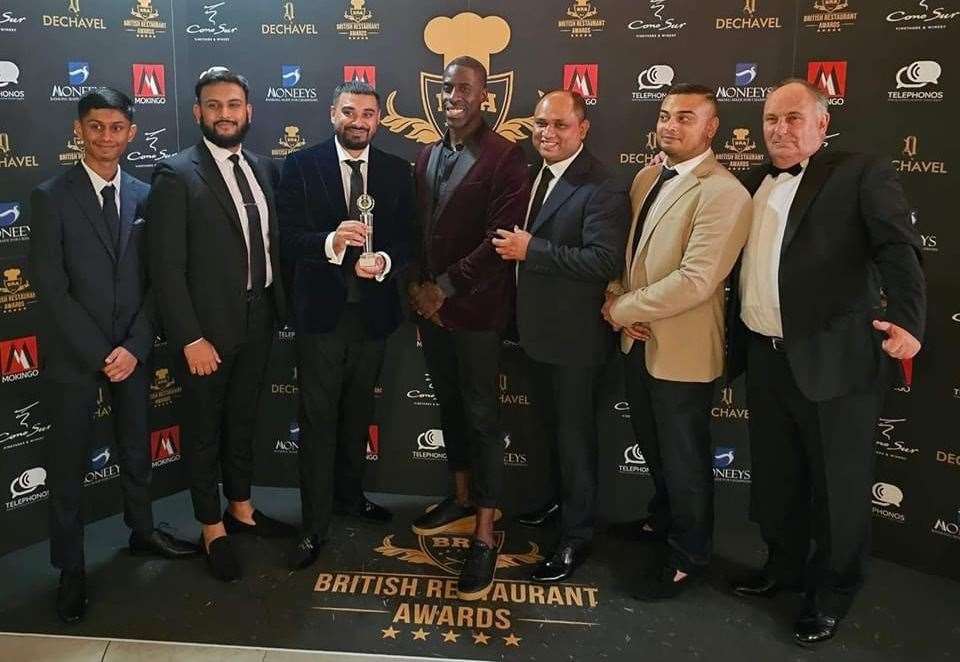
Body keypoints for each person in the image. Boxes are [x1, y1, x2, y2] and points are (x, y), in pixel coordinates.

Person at [726, 78, 926, 644]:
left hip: (835, 360)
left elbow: (897, 248)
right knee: (776, 475)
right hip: (764, 356)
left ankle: (834, 589)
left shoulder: (859, 173)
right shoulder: (750, 183)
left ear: (821, 124)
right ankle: (783, 568)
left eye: (793, 118)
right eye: (771, 119)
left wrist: (909, 321)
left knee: (838, 486)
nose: (780, 130)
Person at [30, 88, 198, 623]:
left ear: (130, 132)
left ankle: (143, 531)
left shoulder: (149, 196)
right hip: (76, 355)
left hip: (133, 348)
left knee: (135, 447)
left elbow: (159, 280)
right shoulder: (50, 196)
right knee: (67, 463)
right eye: (96, 126)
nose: (107, 137)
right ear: (79, 130)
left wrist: (133, 346)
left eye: (116, 127)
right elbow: (51, 289)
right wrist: (103, 352)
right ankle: (71, 567)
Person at [603, 83, 751, 600]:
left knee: (685, 459)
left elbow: (696, 279)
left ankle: (690, 555)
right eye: (665, 115)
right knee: (655, 448)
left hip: (683, 352)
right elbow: (627, 259)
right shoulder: (647, 176)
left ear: (712, 129)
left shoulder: (725, 191)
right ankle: (661, 522)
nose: (670, 125)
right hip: (637, 342)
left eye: (686, 118)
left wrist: (620, 310)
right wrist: (616, 296)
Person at [147, 67, 294, 583]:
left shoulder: (261, 167)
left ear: (248, 110)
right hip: (205, 334)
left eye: (234, 104)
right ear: (197, 112)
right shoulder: (175, 173)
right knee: (205, 430)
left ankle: (241, 508)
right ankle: (211, 526)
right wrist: (189, 337)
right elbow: (165, 269)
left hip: (260, 320)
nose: (225, 114)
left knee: (244, 421)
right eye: (214, 105)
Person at [277, 80, 414, 570]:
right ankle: (313, 525)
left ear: (379, 119)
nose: (359, 121)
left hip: (373, 318)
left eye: (369, 114)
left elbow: (408, 242)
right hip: (321, 318)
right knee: (317, 421)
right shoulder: (299, 165)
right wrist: (334, 243)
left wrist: (385, 262)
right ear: (332, 112)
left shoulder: (398, 171)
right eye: (350, 112)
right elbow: (288, 239)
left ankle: (350, 497)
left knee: (358, 416)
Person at [407, 55, 529, 600]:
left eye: (464, 88)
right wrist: (417, 288)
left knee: (481, 417)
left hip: (476, 312)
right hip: (431, 312)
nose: (453, 96)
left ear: (485, 97)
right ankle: (459, 497)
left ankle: (485, 529)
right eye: (447, 88)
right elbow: (416, 227)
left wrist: (445, 289)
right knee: (450, 408)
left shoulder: (506, 157)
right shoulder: (428, 152)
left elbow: (501, 238)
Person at [493, 90, 628, 582]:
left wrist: (534, 249)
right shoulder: (532, 176)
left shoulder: (604, 185)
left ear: (583, 128)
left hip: (576, 341)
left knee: (574, 440)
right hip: (535, 335)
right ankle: (557, 505)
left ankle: (577, 537)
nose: (547, 133)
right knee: (551, 432)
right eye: (540, 125)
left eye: (559, 125)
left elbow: (602, 261)